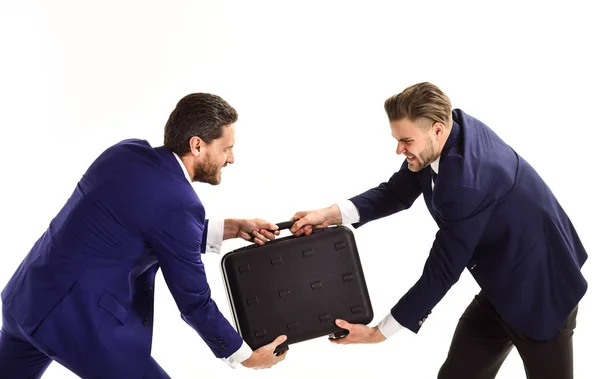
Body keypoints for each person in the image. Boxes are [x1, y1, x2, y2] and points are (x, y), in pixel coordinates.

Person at [289, 82, 587, 379]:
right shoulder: (448, 131)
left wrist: (379, 333)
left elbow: (442, 271)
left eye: (405, 140)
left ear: (437, 129)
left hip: (544, 292)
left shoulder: (466, 182)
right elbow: (397, 193)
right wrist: (330, 215)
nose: (398, 149)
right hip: (502, 283)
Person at [0, 93, 287, 378]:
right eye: (226, 148)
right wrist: (244, 356)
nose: (231, 158)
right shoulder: (180, 204)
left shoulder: (126, 153)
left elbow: (142, 227)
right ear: (197, 145)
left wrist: (232, 228)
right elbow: (194, 302)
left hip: (25, 300)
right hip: (74, 323)